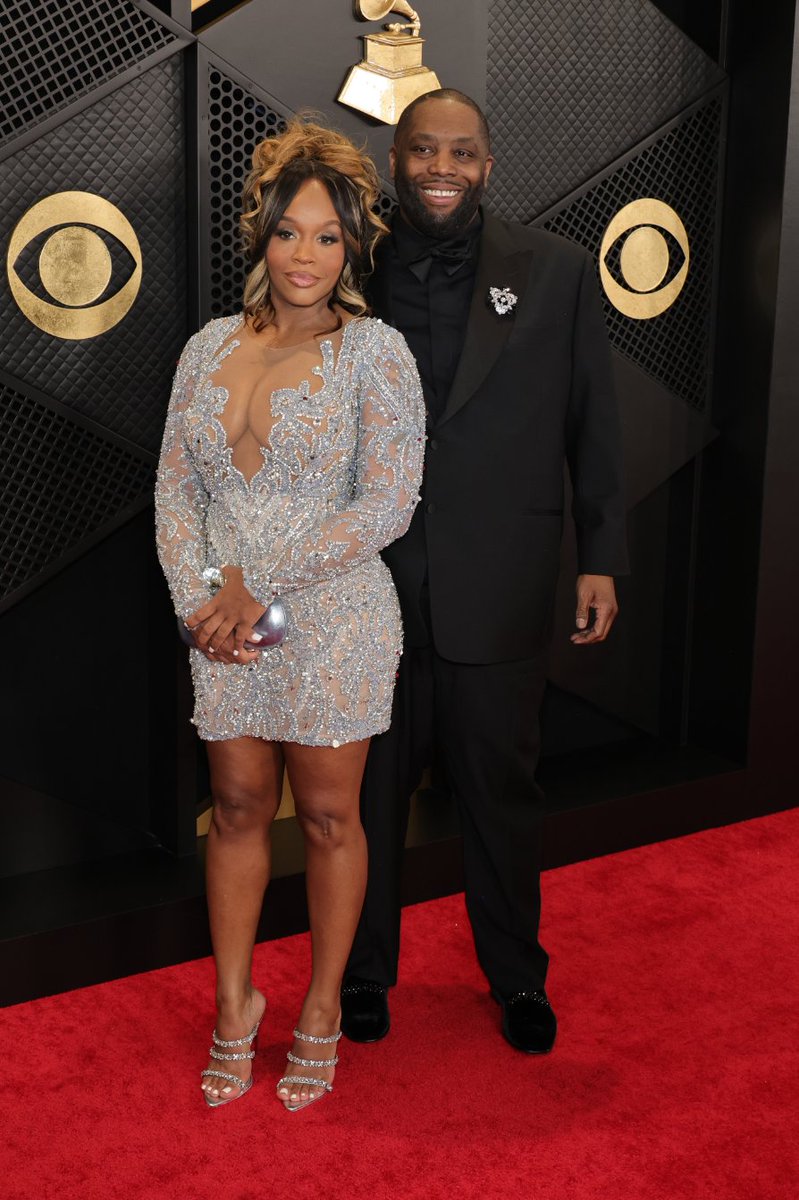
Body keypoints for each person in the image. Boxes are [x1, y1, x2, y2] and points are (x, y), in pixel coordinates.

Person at [341, 89, 628, 1054]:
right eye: (424, 150)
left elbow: (594, 423)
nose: (441, 168)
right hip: (366, 585)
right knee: (368, 796)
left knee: (500, 793)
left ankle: (516, 979)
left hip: (499, 578)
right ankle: (362, 977)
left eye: (461, 153)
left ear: (488, 164)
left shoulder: (554, 272)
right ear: (395, 159)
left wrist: (602, 555)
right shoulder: (346, 265)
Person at [155, 118, 425, 1110]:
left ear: (352, 244)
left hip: (335, 616)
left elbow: (386, 504)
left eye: (326, 235)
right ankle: (235, 1007)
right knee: (231, 809)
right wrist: (201, 601)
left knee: (323, 816)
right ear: (258, 236)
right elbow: (175, 492)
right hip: (222, 621)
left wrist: (262, 588)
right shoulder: (205, 349)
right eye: (288, 232)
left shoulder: (376, 354)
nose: (306, 255)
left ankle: (317, 1008)